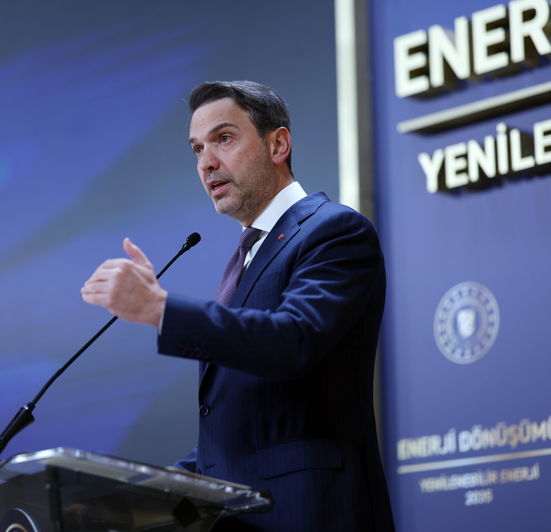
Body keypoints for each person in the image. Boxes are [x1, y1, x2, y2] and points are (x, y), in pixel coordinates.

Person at [81, 81, 394, 531]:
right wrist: (133, 500)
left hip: (312, 514)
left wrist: (160, 310)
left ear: (278, 145)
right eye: (197, 149)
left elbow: (292, 340)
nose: (206, 162)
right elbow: (239, 434)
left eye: (223, 139)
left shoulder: (333, 231)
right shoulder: (246, 260)